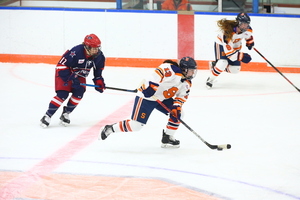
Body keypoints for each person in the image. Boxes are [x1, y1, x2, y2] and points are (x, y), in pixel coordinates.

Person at [99, 57, 197, 148]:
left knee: (179, 113)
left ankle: (167, 137)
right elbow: (159, 72)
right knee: (136, 126)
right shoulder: (172, 69)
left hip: (162, 99)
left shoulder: (187, 83)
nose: (193, 73)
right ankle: (110, 129)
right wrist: (152, 86)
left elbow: (182, 96)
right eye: (191, 70)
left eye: (194, 71)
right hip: (147, 97)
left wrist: (177, 106)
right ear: (184, 69)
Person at [40, 33, 106, 128]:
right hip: (65, 73)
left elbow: (98, 69)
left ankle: (66, 113)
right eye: (94, 48)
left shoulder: (99, 56)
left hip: (79, 75)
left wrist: (98, 80)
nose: (96, 50)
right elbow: (61, 65)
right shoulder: (76, 51)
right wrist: (71, 78)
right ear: (87, 47)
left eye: (97, 48)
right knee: (63, 94)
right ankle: (47, 115)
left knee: (79, 93)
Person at [206, 12, 254, 88]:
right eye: (243, 24)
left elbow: (248, 36)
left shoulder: (248, 30)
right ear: (238, 23)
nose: (246, 26)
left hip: (235, 46)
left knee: (235, 69)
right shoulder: (228, 32)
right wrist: (242, 56)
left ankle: (215, 65)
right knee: (223, 62)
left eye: (247, 24)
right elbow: (230, 54)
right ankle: (210, 80)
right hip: (221, 45)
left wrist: (250, 42)